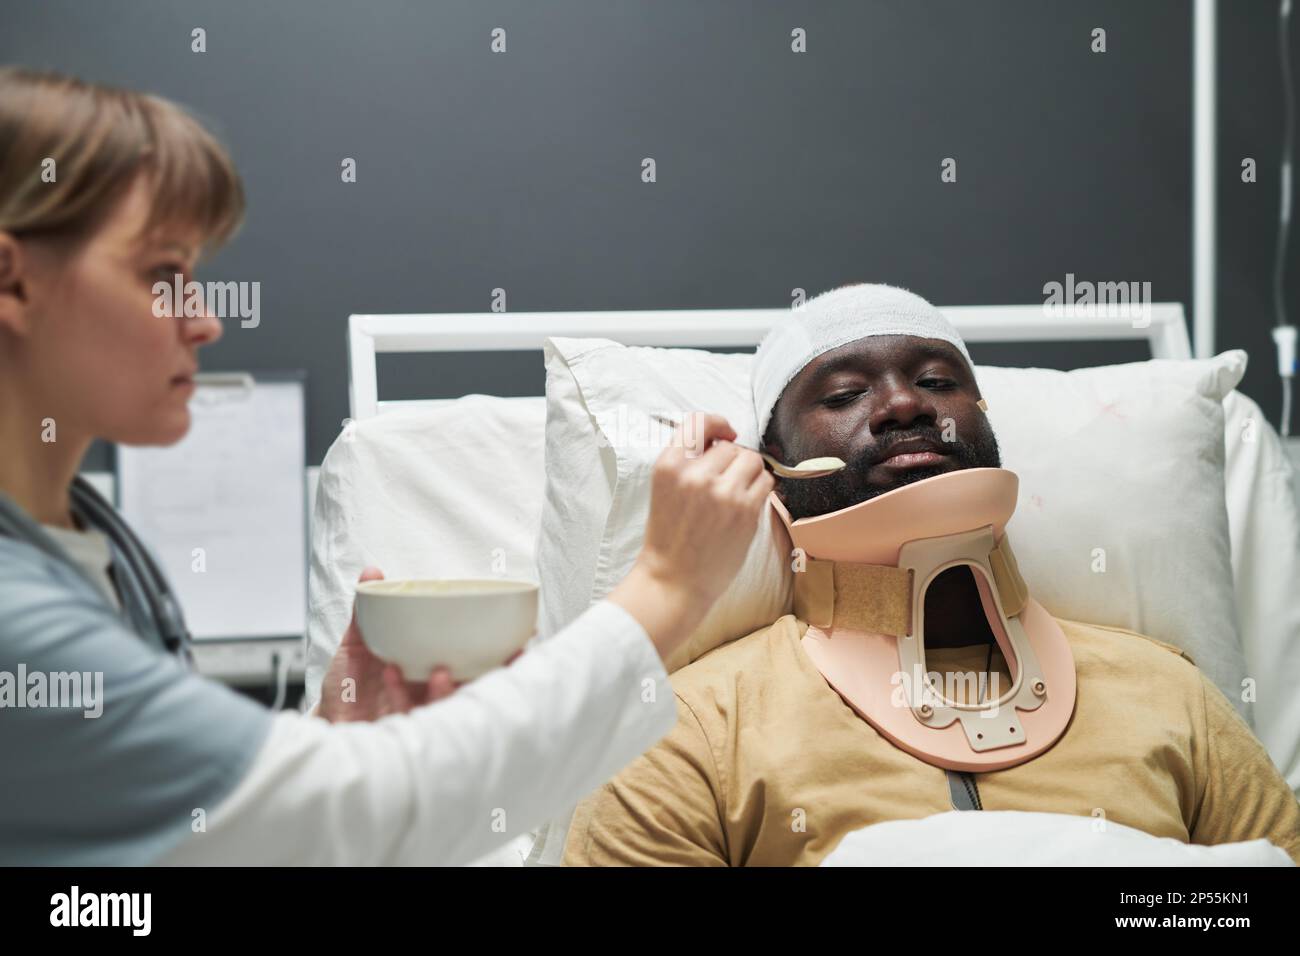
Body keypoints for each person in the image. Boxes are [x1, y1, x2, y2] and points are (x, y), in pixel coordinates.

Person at [0, 67, 774, 865]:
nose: (204, 322)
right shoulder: (19, 617)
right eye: (163, 277)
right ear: (11, 279)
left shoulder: (89, 547)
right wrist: (670, 584)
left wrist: (322, 748)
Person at [562, 283, 1300, 866]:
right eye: (844, 394)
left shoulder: (1168, 694)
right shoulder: (686, 730)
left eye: (939, 380)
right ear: (775, 475)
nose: (906, 404)